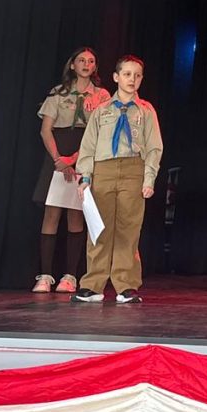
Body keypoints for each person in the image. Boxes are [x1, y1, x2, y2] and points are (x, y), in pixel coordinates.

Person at [72, 55, 163, 304]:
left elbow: (154, 147)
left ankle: (126, 285)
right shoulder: (101, 110)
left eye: (137, 75)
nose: (132, 79)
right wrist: (85, 177)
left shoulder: (146, 111)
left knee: (128, 229)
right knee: (99, 228)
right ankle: (93, 285)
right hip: (103, 170)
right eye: (127, 74)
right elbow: (88, 146)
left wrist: (149, 179)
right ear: (116, 77)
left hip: (133, 169)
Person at [32, 47, 110, 294]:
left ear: (95, 67)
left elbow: (100, 132)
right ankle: (45, 275)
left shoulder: (102, 95)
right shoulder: (58, 93)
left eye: (91, 61)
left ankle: (70, 276)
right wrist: (58, 159)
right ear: (72, 65)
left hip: (84, 155)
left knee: (76, 215)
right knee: (51, 214)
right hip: (57, 155)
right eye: (81, 60)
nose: (86, 64)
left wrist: (75, 159)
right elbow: (46, 130)